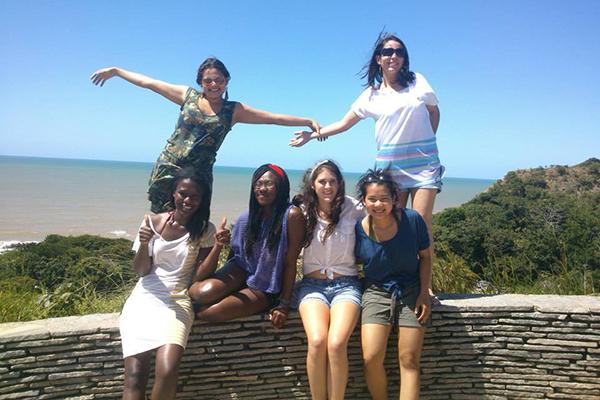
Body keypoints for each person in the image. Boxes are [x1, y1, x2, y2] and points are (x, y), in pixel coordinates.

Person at [290, 33, 442, 297]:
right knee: (390, 223)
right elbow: (344, 123)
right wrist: (313, 135)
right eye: (387, 51)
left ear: (404, 58)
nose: (393, 56)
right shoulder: (371, 95)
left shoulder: (418, 82)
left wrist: (427, 142)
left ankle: (424, 287)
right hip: (390, 169)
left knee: (420, 224)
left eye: (398, 51)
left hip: (423, 165)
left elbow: (434, 111)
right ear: (378, 58)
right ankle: (392, 280)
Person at [91, 58, 320, 213]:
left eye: (218, 80)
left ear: (226, 81)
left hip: (200, 174)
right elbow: (149, 83)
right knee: (160, 218)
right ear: (200, 82)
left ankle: (189, 277)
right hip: (169, 167)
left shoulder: (234, 110)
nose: (213, 84)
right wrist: (117, 72)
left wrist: (307, 121)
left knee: (193, 221)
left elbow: (272, 117)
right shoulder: (186, 96)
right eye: (208, 80)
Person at [119, 167, 231, 400]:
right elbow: (141, 271)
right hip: (144, 299)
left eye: (195, 196)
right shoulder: (151, 222)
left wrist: (218, 247)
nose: (188, 200)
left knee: (168, 370)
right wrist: (143, 244)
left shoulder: (204, 230)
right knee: (134, 376)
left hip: (176, 301)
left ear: (203, 199)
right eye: (183, 193)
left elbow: (199, 276)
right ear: (173, 193)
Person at [189, 163, 304, 328]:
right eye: (258, 184)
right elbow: (238, 257)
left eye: (268, 184)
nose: (262, 189)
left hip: (267, 285)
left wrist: (284, 304)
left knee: (210, 312)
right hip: (243, 270)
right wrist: (219, 244)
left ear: (281, 187)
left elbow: (290, 263)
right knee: (200, 293)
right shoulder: (247, 218)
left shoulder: (292, 216)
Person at [354, 169, 432, 400]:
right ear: (363, 201)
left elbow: (426, 257)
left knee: (408, 360)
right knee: (370, 359)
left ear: (395, 199)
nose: (379, 204)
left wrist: (424, 294)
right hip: (375, 292)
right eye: (372, 199)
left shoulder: (412, 220)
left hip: (411, 291)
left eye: (384, 198)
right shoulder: (359, 229)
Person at [292, 160, 364, 400]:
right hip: (312, 286)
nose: (328, 186)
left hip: (347, 285)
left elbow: (382, 214)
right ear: (312, 184)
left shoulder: (353, 208)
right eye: (322, 181)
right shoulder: (301, 211)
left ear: (339, 184)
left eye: (333, 181)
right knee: (317, 341)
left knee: (335, 344)